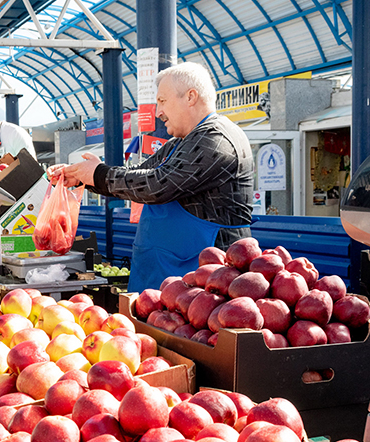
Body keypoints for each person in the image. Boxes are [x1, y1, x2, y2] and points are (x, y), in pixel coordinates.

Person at [55, 62, 254, 292]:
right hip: (170, 276)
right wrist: (83, 176)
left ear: (190, 97)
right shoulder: (179, 143)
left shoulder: (217, 140)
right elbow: (138, 175)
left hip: (210, 282)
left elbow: (158, 184)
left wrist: (99, 174)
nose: (158, 112)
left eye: (162, 101)